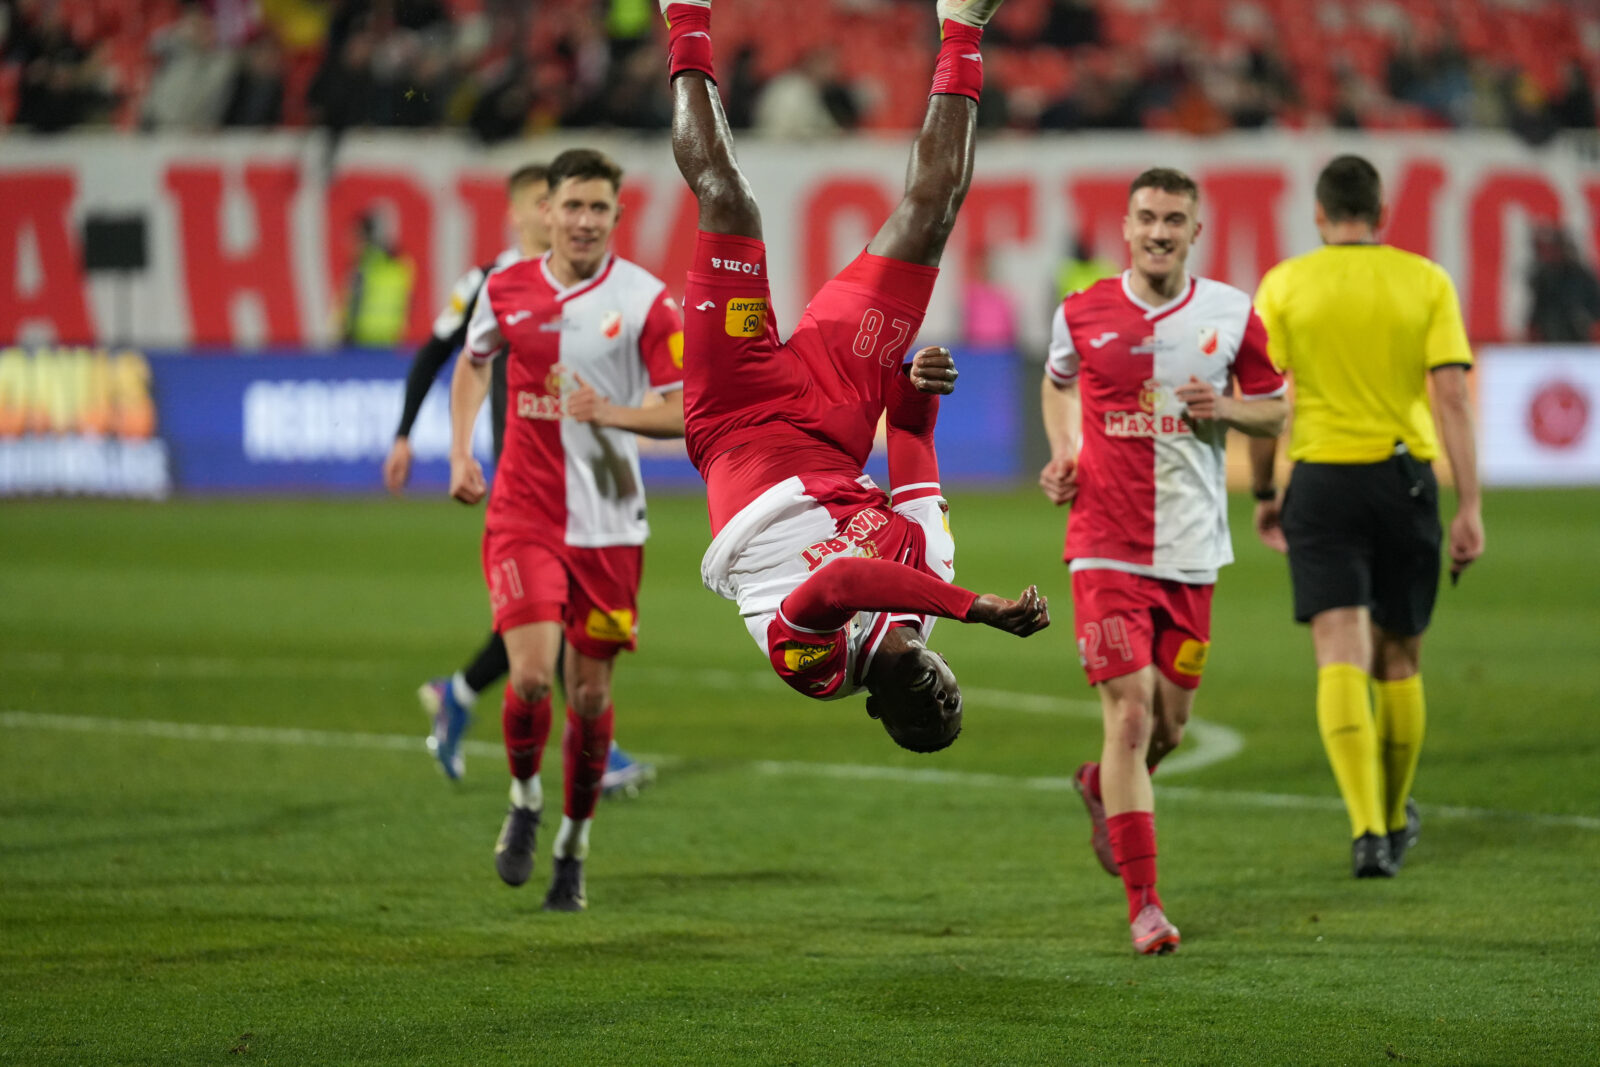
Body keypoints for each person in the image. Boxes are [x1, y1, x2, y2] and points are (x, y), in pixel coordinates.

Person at [663, 0, 1050, 754]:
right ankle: (964, 23)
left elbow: (838, 584)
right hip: (836, 415)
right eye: (953, 706)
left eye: (923, 718)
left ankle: (684, 12)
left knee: (729, 203)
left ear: (881, 713)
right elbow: (907, 434)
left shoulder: (815, 665)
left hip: (736, 424)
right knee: (931, 215)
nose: (940, 701)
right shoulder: (932, 567)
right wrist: (919, 385)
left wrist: (974, 608)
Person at [1039, 168, 1288, 955]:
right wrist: (1065, 451)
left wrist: (1232, 410)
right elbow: (1058, 384)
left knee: (1171, 728)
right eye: (1146, 217)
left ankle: (1097, 785)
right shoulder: (1081, 312)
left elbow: (1279, 403)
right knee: (1132, 711)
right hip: (1102, 543)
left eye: (1173, 220)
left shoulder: (1230, 313)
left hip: (1191, 549)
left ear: (1195, 231)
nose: (1158, 231)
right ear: (1125, 226)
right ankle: (1145, 904)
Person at [449, 148, 686, 910]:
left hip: (611, 523)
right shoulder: (506, 287)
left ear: (618, 216)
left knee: (588, 697)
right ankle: (523, 798)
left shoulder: (649, 301)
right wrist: (460, 451)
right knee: (527, 673)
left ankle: (573, 847)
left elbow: (684, 409)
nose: (584, 221)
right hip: (524, 512)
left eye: (599, 208)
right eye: (572, 206)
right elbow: (472, 361)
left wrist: (611, 412)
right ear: (545, 211)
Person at [383, 163, 654, 801]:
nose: (567, 216)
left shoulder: (602, 289)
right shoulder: (490, 284)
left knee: (545, 617)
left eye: (588, 206)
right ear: (529, 211)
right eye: (552, 203)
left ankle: (460, 693)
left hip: (588, 479)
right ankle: (589, 753)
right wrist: (409, 435)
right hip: (524, 478)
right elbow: (439, 355)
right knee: (549, 613)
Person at [1250, 154, 1484, 879]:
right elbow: (1450, 397)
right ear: (1382, 214)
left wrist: (1265, 490)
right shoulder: (1426, 280)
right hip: (1402, 476)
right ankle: (1392, 811)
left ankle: (1365, 831)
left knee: (1338, 652)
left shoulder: (1286, 283)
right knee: (1400, 656)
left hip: (1320, 479)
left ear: (1319, 215)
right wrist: (1469, 505)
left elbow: (1264, 400)